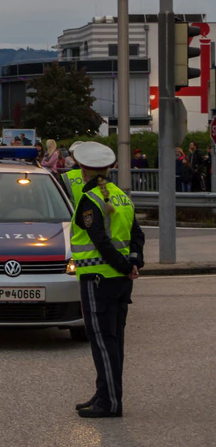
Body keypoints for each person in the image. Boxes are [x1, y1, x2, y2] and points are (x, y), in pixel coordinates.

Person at [70, 142, 145, 419]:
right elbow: (137, 235)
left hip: (97, 279)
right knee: (114, 340)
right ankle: (105, 392)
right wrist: (134, 262)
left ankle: (110, 401)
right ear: (109, 168)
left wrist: (125, 265)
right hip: (120, 281)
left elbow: (99, 240)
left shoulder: (90, 199)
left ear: (82, 169)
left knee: (102, 340)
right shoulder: (120, 196)